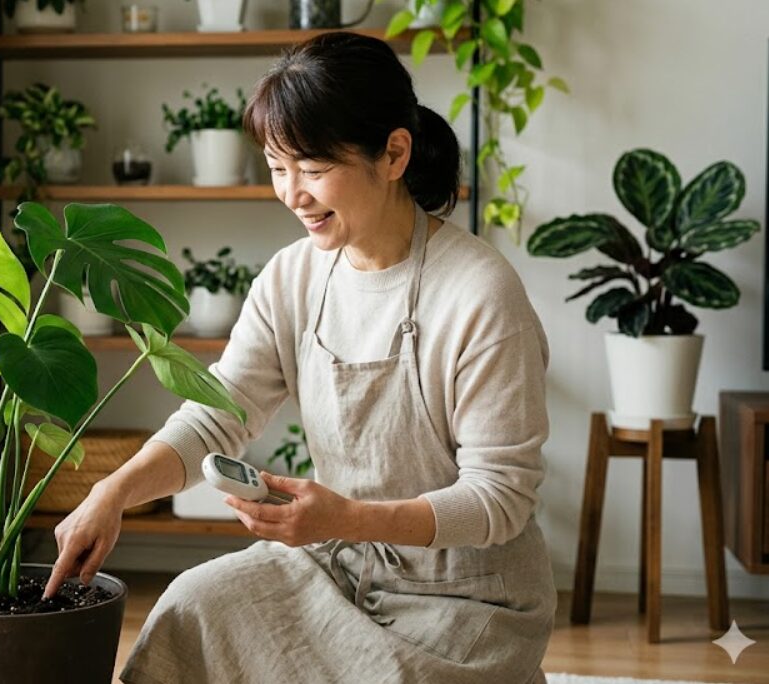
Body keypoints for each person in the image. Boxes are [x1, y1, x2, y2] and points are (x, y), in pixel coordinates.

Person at [43, 31, 555, 684]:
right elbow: (216, 415)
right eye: (276, 167)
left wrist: (347, 516)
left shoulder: (480, 293)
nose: (291, 193)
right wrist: (112, 494)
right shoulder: (292, 277)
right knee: (190, 608)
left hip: (468, 597)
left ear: (393, 153)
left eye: (312, 169)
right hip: (337, 565)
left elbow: (499, 499)